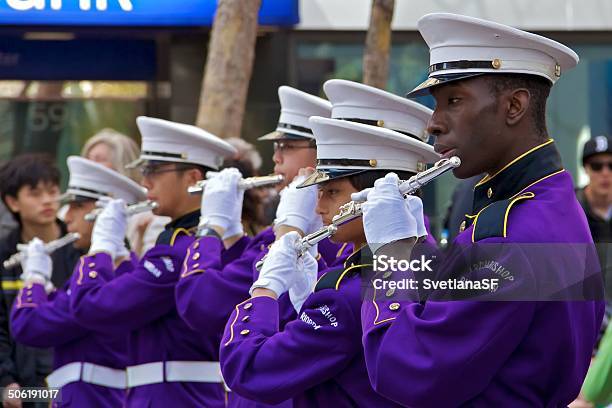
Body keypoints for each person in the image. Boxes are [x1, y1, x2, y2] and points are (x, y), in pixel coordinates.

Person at [357, 13, 605, 406]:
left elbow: (405, 367)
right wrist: (417, 247)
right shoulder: (544, 202)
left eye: (454, 100)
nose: (434, 123)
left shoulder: (508, 234)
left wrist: (390, 257)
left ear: (514, 106)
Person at [218, 113, 438, 406]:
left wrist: (265, 289)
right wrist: (305, 297)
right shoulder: (431, 266)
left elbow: (250, 369)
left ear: (374, 197)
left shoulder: (344, 297)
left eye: (332, 192)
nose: (319, 206)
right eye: (319, 192)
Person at [176, 86, 343, 408]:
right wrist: (231, 235)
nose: (276, 158)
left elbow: (202, 302)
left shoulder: (339, 240)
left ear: (323, 153)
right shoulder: (272, 238)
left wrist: (210, 228)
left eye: (288, 146)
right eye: (276, 147)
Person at [67, 117, 237, 407]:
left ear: (194, 178)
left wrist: (101, 250)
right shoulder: (180, 244)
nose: (145, 182)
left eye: (155, 171)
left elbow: (92, 307)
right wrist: (122, 256)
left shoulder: (179, 251)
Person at [10, 156, 146, 407]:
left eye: (77, 206)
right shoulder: (104, 272)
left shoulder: (106, 277)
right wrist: (48, 290)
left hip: (92, 398)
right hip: (66, 394)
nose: (67, 216)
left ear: (104, 213)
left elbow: (29, 326)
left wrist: (35, 280)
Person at [0, 154, 82, 408]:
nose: (47, 200)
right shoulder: (4, 255)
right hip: (23, 389)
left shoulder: (81, 247)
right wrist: (6, 382)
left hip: (75, 382)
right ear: (13, 202)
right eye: (35, 193)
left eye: (53, 191)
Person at [81, 128, 169, 255]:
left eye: (99, 159)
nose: (90, 166)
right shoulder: (70, 212)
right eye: (88, 159)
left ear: (122, 163)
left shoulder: (149, 215)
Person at [576, 135, 612, 300]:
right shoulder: (570, 209)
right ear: (586, 168)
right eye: (597, 166)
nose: (605, 173)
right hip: (583, 307)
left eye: (611, 166)